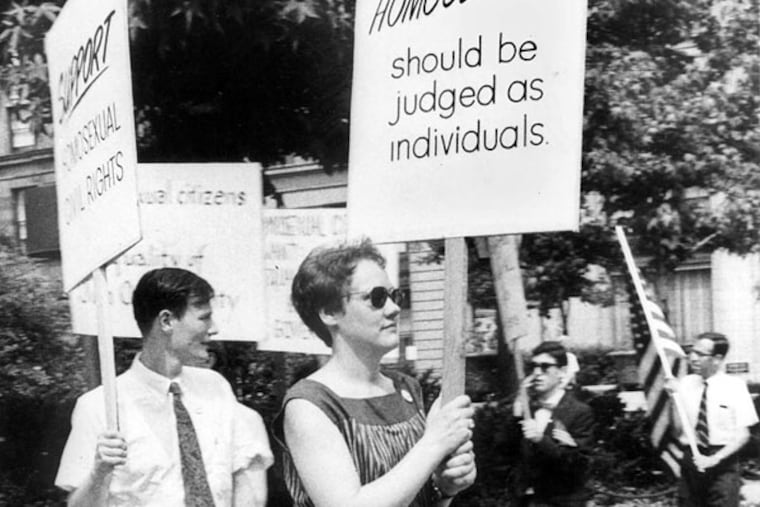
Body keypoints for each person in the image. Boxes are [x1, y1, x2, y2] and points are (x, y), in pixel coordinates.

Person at [274, 239, 477, 506]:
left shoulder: (406, 388)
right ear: (329, 312)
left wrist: (444, 489)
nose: (394, 309)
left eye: (395, 296)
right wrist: (436, 442)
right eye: (377, 297)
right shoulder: (309, 405)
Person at [55, 268, 272, 507]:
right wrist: (100, 472)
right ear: (167, 321)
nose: (214, 328)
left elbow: (242, 479)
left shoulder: (216, 388)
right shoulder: (98, 406)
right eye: (204, 317)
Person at [667, 332, 758, 507]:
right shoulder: (685, 384)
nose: (692, 358)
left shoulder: (735, 387)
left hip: (723, 461)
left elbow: (743, 435)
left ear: (717, 359)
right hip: (692, 458)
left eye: (700, 354)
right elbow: (677, 430)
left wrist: (715, 458)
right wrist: (673, 399)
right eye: (692, 352)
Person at [505, 341, 594, 506]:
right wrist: (517, 414)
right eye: (534, 366)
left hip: (561, 502)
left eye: (545, 367)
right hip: (524, 501)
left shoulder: (579, 412)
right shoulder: (526, 409)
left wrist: (541, 439)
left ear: (561, 372)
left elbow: (579, 467)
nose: (537, 373)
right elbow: (504, 454)